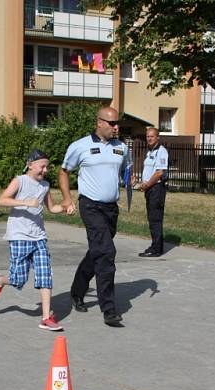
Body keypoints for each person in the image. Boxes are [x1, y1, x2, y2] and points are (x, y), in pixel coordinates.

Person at [58, 106, 132, 327]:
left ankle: (77, 291)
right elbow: (64, 171)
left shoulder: (121, 148)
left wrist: (131, 179)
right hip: (90, 206)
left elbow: (126, 170)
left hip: (111, 209)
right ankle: (108, 309)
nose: (116, 127)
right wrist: (67, 198)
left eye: (117, 123)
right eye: (112, 123)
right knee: (107, 253)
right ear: (99, 122)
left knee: (97, 252)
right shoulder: (80, 146)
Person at [0, 149, 66, 331]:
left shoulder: (45, 185)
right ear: (30, 165)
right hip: (19, 235)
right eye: (42, 166)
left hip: (39, 236)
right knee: (18, 279)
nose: (45, 170)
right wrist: (26, 202)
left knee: (45, 275)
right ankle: (0, 281)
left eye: (47, 167)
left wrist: (64, 208)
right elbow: (2, 200)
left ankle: (46, 317)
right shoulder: (20, 180)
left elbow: (52, 207)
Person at [134, 127, 169, 257]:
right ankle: (156, 245)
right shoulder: (149, 152)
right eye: (147, 136)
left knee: (155, 219)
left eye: (152, 136)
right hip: (149, 188)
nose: (149, 138)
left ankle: (156, 249)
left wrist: (147, 184)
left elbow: (160, 172)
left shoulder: (161, 151)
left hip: (156, 189)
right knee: (152, 218)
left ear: (157, 137)